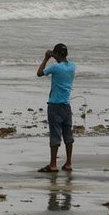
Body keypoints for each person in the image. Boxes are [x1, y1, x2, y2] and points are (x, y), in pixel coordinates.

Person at [36, 43, 76, 172]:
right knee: (67, 134)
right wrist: (55, 55)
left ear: (56, 54)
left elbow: (39, 73)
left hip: (54, 105)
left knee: (55, 134)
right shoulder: (72, 66)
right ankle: (68, 163)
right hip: (66, 105)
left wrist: (46, 58)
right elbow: (63, 61)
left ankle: (53, 164)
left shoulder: (55, 67)